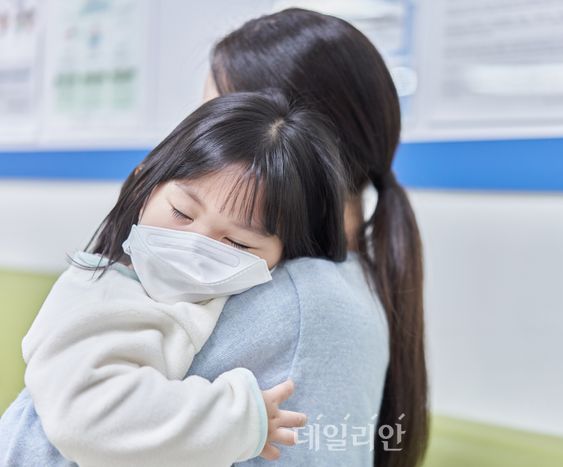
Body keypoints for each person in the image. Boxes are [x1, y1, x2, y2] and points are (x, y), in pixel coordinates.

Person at [1, 8, 428, 467]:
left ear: (287, 138)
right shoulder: (132, 284)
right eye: (184, 211)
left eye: (217, 112)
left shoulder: (308, 302)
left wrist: (240, 421)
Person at [1, 91, 347, 466]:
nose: (195, 246)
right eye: (182, 212)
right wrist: (238, 421)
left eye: (237, 242)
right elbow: (87, 416)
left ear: (286, 255)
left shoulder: (280, 297)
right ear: (144, 186)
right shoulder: (95, 295)